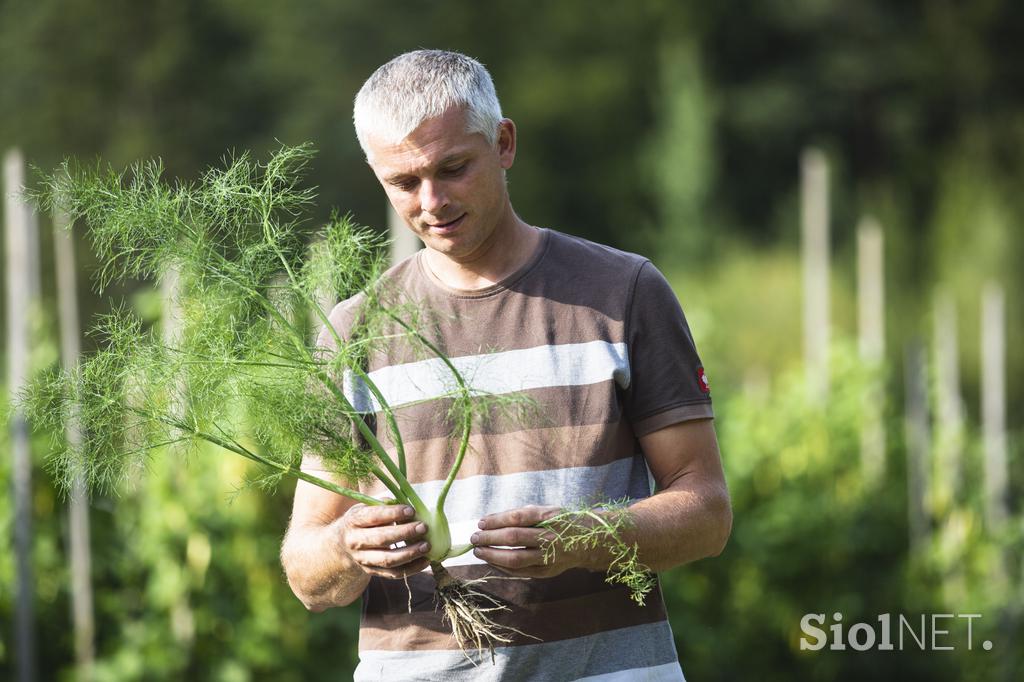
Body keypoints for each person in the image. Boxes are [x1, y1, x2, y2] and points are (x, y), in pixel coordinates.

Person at [280, 49, 732, 681]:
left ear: (504, 142)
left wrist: (583, 535)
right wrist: (346, 546)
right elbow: (307, 574)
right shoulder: (353, 330)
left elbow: (706, 512)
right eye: (404, 183)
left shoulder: (622, 293)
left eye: (453, 168)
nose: (432, 201)